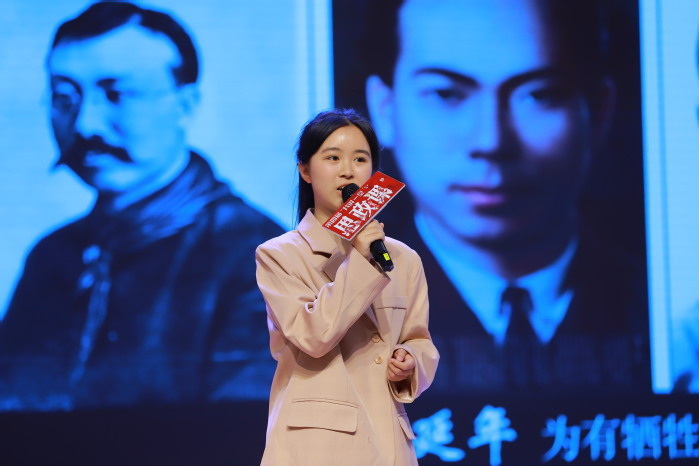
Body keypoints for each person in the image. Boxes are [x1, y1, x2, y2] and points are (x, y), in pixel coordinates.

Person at [348, 0, 650, 393]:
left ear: (599, 112)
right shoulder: (340, 299)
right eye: (445, 94)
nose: (491, 142)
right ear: (384, 109)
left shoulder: (669, 310)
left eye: (539, 95)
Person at [0, 1, 283, 410]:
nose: (85, 125)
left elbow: (244, 432)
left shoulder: (256, 257)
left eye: (116, 94)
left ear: (185, 104)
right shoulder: (52, 256)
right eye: (64, 98)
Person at [255, 109, 439, 465]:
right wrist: (362, 261)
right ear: (305, 170)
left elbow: (420, 341)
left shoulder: (404, 258)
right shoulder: (279, 255)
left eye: (360, 159)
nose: (347, 171)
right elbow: (314, 335)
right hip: (317, 445)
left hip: (388, 441)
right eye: (333, 158)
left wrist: (410, 362)